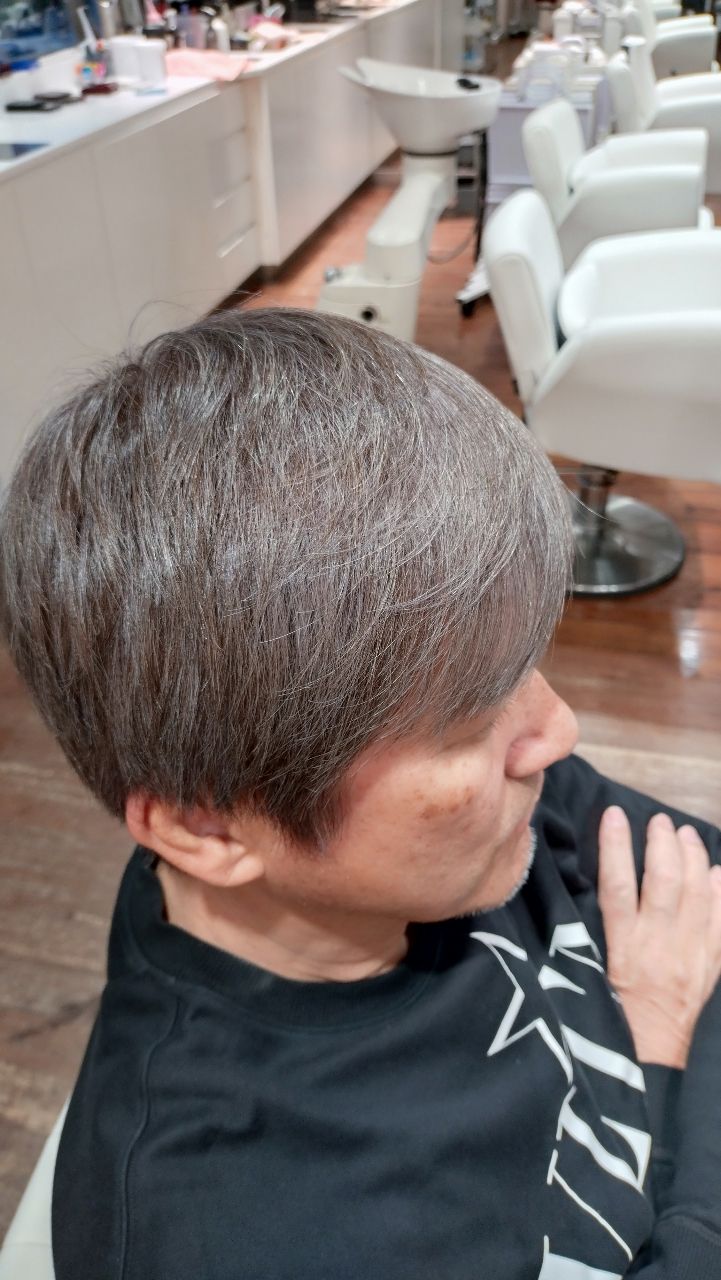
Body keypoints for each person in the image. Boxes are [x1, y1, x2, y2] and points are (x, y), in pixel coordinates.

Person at [1, 308, 720, 1280]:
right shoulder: (235, 1234)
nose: (555, 730)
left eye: (523, 662)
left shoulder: (470, 817)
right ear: (206, 826)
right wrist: (656, 1039)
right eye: (468, 719)